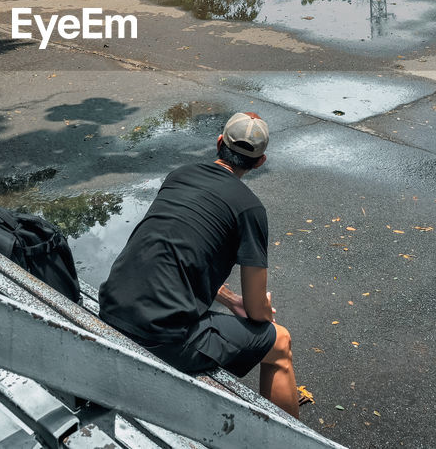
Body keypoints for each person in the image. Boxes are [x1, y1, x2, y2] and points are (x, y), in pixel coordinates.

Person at [99, 111, 299, 417]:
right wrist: (256, 308)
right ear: (260, 162)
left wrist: (232, 301)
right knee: (279, 341)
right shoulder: (250, 209)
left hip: (112, 307)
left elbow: (174, 251)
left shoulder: (179, 175)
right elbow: (259, 312)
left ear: (219, 143)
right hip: (159, 338)